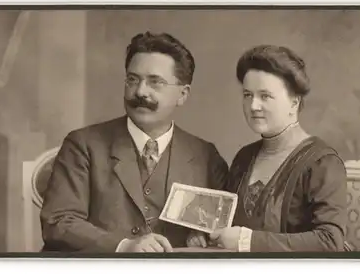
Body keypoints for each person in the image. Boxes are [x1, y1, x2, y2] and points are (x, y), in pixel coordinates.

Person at [40, 32, 229, 253]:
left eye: (155, 82)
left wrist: (205, 233)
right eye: (132, 79)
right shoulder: (83, 145)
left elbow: (222, 225)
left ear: (183, 94)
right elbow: (58, 222)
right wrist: (123, 246)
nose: (140, 91)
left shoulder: (205, 156)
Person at [187, 45, 347, 252]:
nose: (253, 106)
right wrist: (204, 231)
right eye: (247, 95)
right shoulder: (244, 157)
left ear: (294, 102)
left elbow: (330, 242)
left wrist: (247, 241)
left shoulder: (322, 163)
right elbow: (224, 220)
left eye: (265, 96)